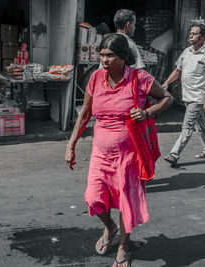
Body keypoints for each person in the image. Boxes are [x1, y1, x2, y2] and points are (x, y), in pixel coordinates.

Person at [65, 33, 173, 267]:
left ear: (123, 57)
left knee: (126, 202)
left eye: (110, 55)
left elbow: (167, 97)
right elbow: (84, 114)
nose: (104, 60)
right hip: (100, 154)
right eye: (102, 55)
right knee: (93, 198)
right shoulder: (95, 77)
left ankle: (123, 247)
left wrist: (147, 112)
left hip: (129, 155)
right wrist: (71, 144)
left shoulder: (139, 78)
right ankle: (110, 227)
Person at [162, 23, 205, 166]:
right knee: (200, 124)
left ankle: (174, 154)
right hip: (187, 95)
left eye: (194, 34)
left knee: (187, 126)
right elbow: (178, 70)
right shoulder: (187, 51)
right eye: (190, 33)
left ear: (203, 37)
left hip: (198, 96)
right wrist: (166, 83)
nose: (190, 36)